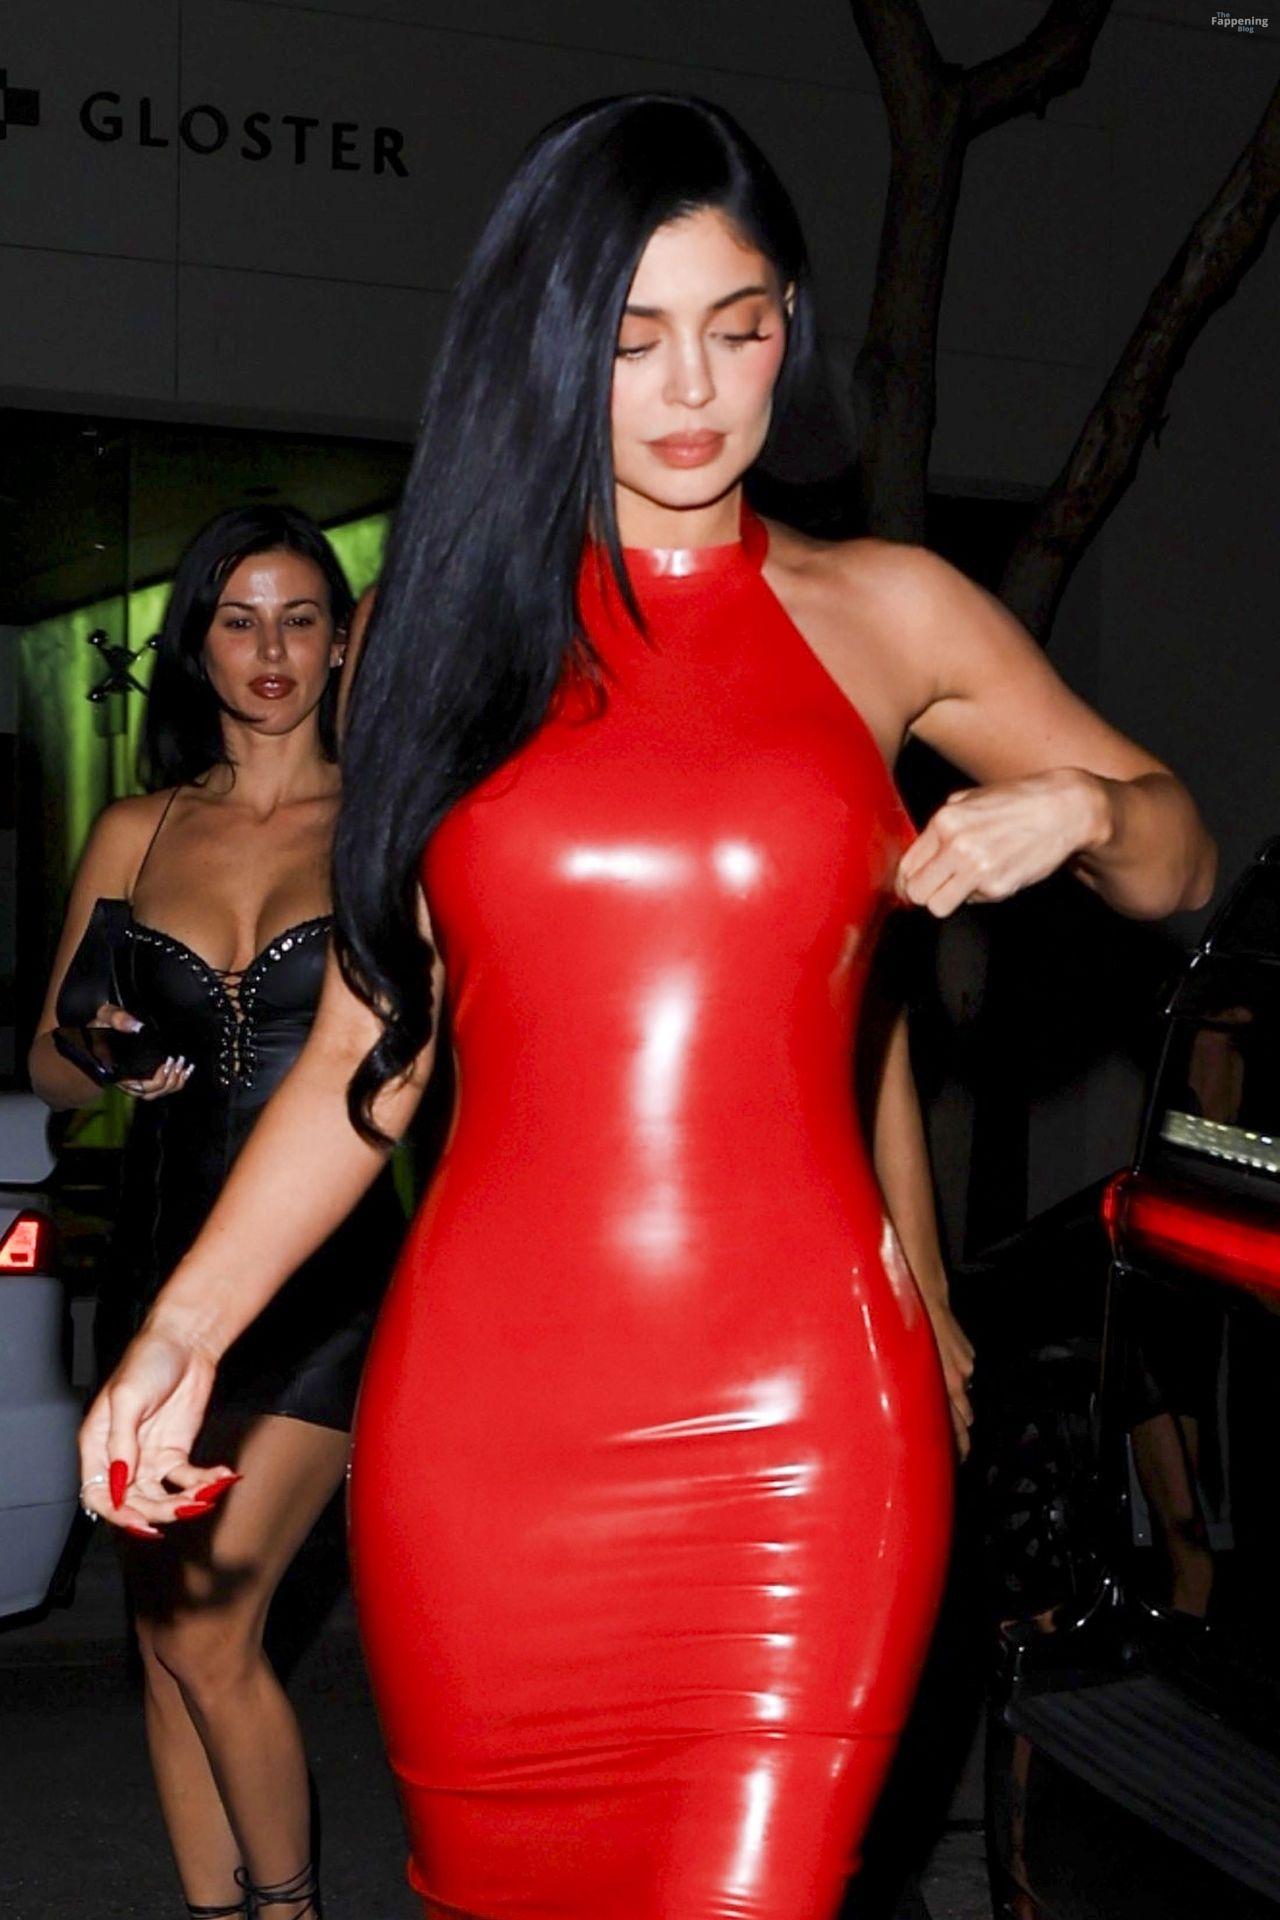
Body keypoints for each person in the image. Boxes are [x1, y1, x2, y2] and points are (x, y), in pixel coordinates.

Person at [78, 96, 1216, 1920]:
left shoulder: (887, 615)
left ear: (790, 329)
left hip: (801, 1437)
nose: (695, 389)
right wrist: (182, 1332)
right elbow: (376, 1039)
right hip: (484, 1436)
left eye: (738, 327)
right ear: (551, 349)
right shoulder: (447, 639)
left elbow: (1179, 857)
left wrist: (1082, 807)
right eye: (631, 340)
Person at [34, 505, 403, 1920]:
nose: (272, 649)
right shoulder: (139, 831)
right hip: (158, 1267)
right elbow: (50, 1062)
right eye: (240, 620)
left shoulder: (385, 829)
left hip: (324, 1288)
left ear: (341, 644)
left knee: (210, 1632)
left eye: (301, 618)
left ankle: (289, 1910)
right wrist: (105, 1051)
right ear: (198, 644)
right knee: (162, 1634)